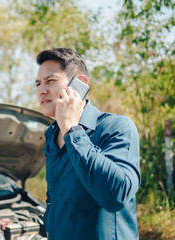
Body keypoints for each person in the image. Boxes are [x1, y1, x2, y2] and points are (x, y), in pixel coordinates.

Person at [35, 48, 140, 240]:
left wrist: (72, 130)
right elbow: (54, 196)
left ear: (79, 84)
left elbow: (115, 195)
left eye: (50, 81)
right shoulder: (52, 136)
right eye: (38, 83)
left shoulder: (116, 126)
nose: (42, 90)